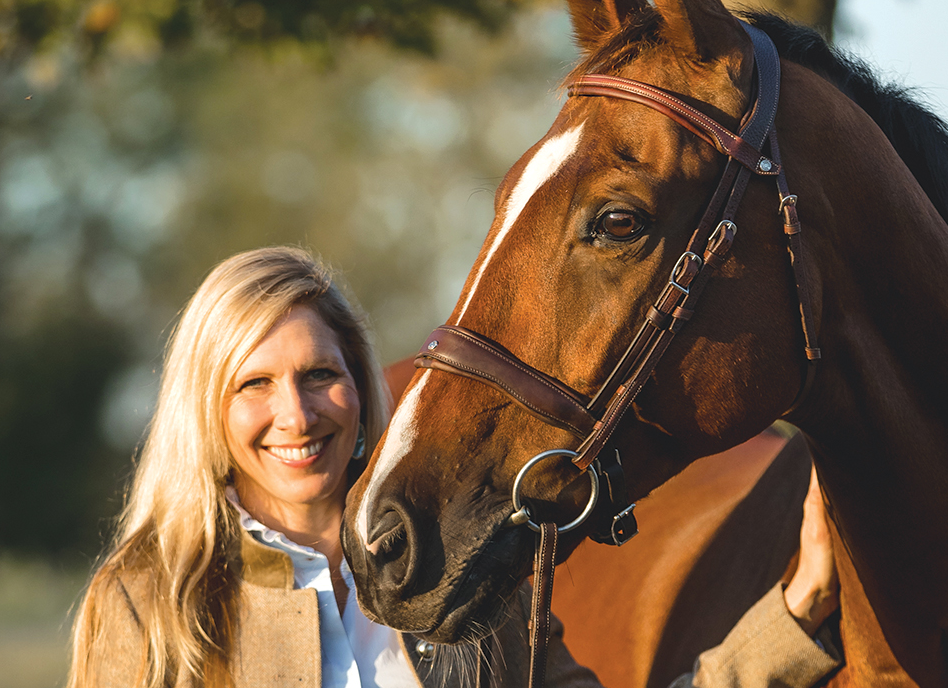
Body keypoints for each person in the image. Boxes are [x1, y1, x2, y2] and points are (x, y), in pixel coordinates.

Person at [66, 246, 841, 688]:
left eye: (318, 376)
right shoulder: (152, 602)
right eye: (254, 385)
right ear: (208, 408)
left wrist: (797, 612)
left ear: (360, 385)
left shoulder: (454, 571)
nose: (297, 416)